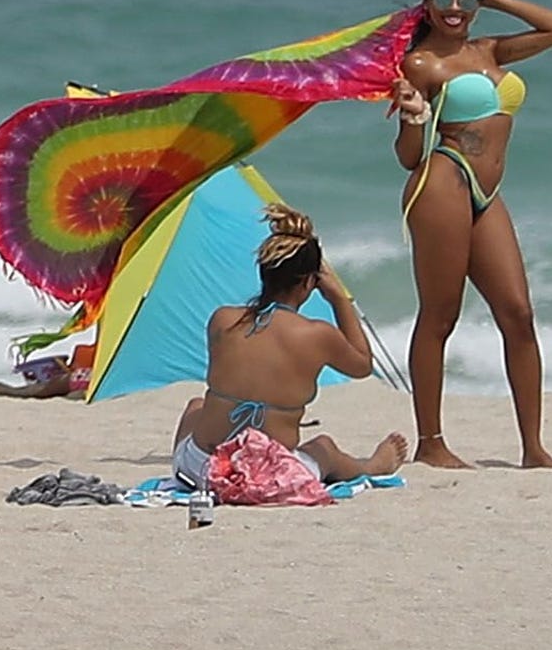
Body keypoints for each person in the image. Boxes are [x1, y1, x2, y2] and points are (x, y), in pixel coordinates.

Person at [386, 0, 552, 470]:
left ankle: (533, 448)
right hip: (442, 183)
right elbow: (409, 154)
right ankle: (430, 442)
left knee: (519, 315)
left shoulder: (490, 50)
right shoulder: (421, 65)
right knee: (440, 316)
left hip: (486, 193)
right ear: (425, 2)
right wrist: (412, 114)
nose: (454, 7)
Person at [168, 204, 408, 491]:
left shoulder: (222, 320)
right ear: (309, 282)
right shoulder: (316, 335)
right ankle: (371, 466)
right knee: (324, 448)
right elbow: (362, 365)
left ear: (263, 274)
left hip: (203, 472)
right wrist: (339, 300)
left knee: (197, 406)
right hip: (270, 477)